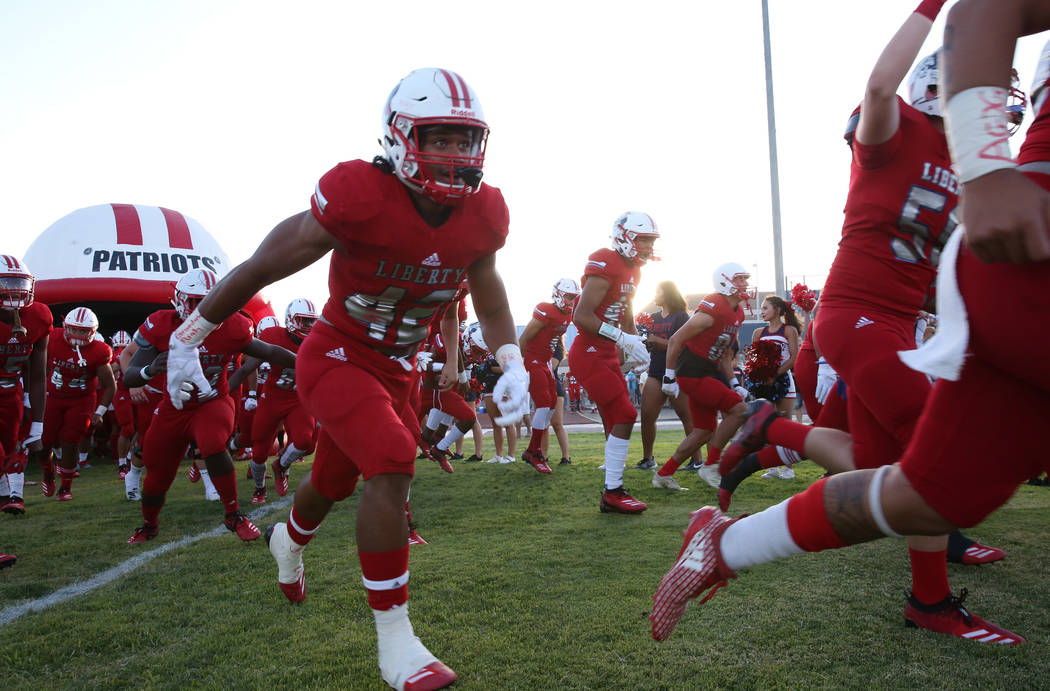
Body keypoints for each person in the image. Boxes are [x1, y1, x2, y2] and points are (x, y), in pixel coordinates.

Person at [650, 0, 1033, 645]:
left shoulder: (972, 170)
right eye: (982, 94)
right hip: (855, 315)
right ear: (943, 88)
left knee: (881, 476)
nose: (996, 111)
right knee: (932, 453)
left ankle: (775, 433)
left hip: (898, 324)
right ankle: (929, 598)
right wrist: (935, 7)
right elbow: (880, 86)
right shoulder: (896, 131)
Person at [163, 68, 525, 690]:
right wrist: (187, 335)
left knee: (330, 481)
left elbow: (487, 291)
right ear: (400, 135)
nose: (457, 155)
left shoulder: (484, 213)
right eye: (440, 138)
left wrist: (511, 354)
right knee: (391, 459)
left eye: (467, 140)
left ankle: (288, 542)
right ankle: (397, 643)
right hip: (336, 353)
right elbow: (264, 264)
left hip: (398, 370)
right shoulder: (358, 193)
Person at [123, 269, 296, 543]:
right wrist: (149, 370)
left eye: (212, 302)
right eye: (196, 302)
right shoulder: (161, 325)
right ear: (180, 301)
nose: (205, 311)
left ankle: (234, 514)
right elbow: (130, 374)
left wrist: (307, 362)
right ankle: (149, 524)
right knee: (157, 470)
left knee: (212, 442)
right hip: (174, 407)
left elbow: (269, 352)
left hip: (212, 401)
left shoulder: (234, 326)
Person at [568, 212, 656, 513]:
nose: (647, 246)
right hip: (589, 351)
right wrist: (622, 337)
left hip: (608, 351)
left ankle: (613, 487)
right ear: (625, 236)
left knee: (614, 420)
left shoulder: (634, 270)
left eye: (650, 241)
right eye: (643, 239)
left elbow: (625, 309)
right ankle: (613, 491)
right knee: (625, 413)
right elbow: (581, 315)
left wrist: (634, 342)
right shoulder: (605, 259)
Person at [652, 264, 755, 492]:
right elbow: (676, 339)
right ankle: (711, 465)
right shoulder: (714, 307)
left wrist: (734, 383)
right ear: (725, 281)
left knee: (704, 431)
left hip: (708, 370)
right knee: (739, 410)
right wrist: (669, 376)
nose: (745, 284)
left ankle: (663, 474)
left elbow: (726, 352)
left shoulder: (737, 311)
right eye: (739, 279)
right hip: (692, 370)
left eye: (745, 279)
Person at [229, 299, 320, 504]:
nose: (308, 327)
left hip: (298, 398)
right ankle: (260, 489)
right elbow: (247, 367)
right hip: (272, 397)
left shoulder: (318, 341)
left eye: (311, 322)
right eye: (304, 321)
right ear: (291, 320)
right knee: (259, 450)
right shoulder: (273, 336)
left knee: (305, 441)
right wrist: (226, 389)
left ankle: (281, 466)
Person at [39, 308, 116, 501]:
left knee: (71, 441)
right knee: (43, 440)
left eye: (83, 331)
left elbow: (110, 385)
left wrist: (100, 411)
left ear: (92, 331)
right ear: (65, 327)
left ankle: (65, 486)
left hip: (81, 400)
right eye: (74, 329)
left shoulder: (99, 351)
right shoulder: (53, 338)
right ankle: (48, 473)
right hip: (53, 396)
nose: (78, 335)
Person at [0, 256, 49, 515]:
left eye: (19, 283)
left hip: (11, 391)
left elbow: (39, 375)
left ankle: (10, 496)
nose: (14, 289)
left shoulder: (38, 317)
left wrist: (37, 423)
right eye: (6, 282)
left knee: (13, 448)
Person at [519, 278, 579, 474]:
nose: (571, 302)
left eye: (573, 298)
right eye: (569, 297)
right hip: (533, 360)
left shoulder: (569, 314)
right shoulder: (546, 309)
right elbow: (524, 338)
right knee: (544, 402)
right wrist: (518, 366)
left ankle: (533, 449)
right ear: (559, 295)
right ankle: (534, 451)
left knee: (552, 403)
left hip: (545, 361)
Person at [635, 281, 695, 471]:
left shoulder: (681, 316)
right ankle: (648, 458)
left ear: (667, 294)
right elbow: (648, 344)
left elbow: (683, 344)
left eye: (658, 291)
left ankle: (697, 459)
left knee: (686, 416)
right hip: (655, 370)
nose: (655, 295)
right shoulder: (652, 318)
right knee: (646, 415)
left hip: (677, 372)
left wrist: (656, 340)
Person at [749, 295, 801, 479]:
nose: (762, 311)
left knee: (785, 422)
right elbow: (754, 358)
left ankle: (789, 468)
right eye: (761, 308)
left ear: (778, 310)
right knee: (768, 424)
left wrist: (775, 373)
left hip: (783, 379)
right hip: (765, 382)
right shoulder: (758, 333)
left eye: (765, 308)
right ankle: (772, 467)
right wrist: (758, 373)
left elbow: (793, 357)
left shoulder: (788, 330)